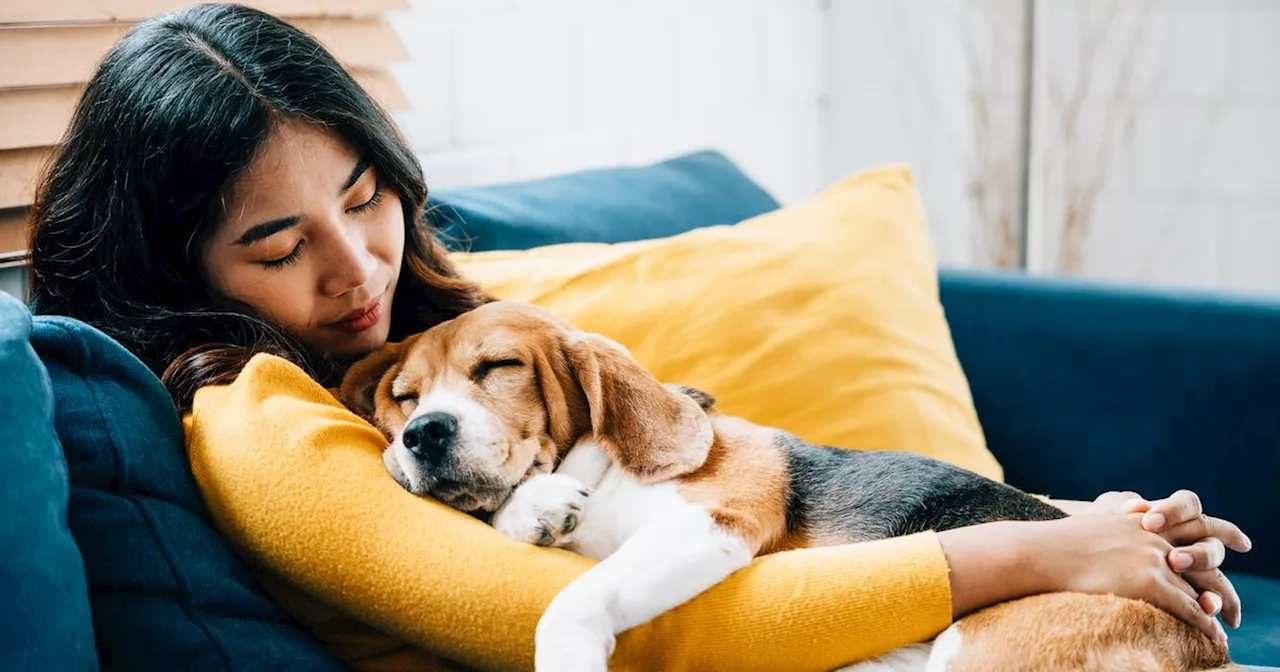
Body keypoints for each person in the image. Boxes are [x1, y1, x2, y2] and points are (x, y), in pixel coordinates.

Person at [26, 3, 1251, 670]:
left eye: (365, 201)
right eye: (279, 248)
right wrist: (1037, 557)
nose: (359, 272)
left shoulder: (435, 336)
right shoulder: (260, 421)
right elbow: (636, 625)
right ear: (174, 264)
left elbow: (722, 467)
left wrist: (1109, 537)